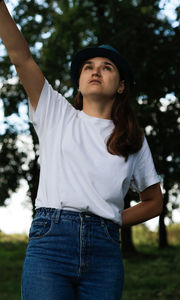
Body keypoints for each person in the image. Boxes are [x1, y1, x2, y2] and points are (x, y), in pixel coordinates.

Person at [0, 1, 163, 299]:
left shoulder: (132, 137)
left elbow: (153, 202)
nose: (95, 71)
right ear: (78, 83)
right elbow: (21, 58)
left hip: (105, 252)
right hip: (51, 245)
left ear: (121, 86)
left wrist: (113, 219)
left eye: (106, 67)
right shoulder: (55, 112)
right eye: (88, 67)